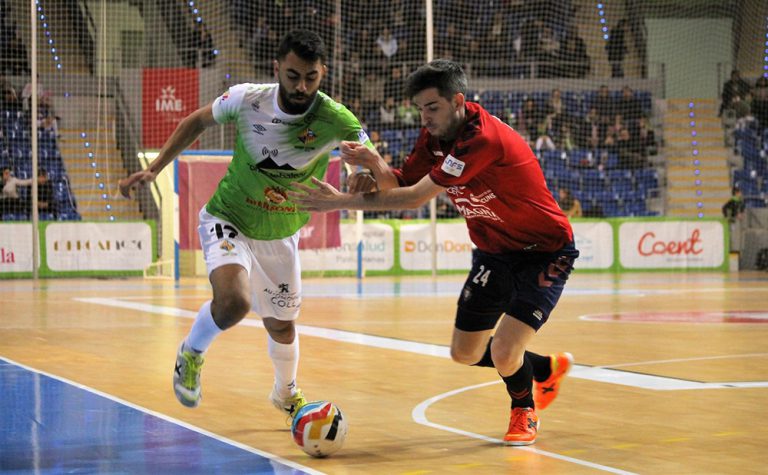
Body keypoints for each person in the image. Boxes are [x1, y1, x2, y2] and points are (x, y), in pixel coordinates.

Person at [289, 59, 579, 446]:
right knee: (465, 352)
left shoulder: (482, 139)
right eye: (420, 109)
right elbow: (398, 184)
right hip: (494, 252)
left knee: (507, 351)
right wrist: (374, 163)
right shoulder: (433, 140)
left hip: (545, 251)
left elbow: (413, 199)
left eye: (433, 108)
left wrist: (340, 201)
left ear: (457, 101)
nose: (424, 117)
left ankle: (524, 409)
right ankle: (544, 368)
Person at [118, 30, 380, 421]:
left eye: (311, 77)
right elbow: (195, 121)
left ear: (323, 72)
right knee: (235, 302)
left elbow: (372, 162)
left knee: (282, 327)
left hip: (280, 233)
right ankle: (191, 352)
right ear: (277, 68)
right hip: (229, 217)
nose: (301, 86)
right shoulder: (247, 98)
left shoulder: (336, 118)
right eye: (293, 76)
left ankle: (285, 393)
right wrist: (155, 168)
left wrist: (366, 175)